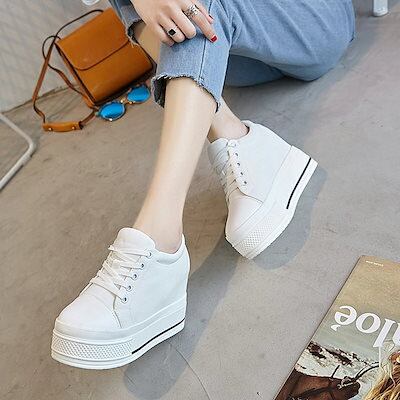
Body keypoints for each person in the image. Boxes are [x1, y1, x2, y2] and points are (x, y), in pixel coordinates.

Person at [50, 0, 355, 369]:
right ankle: (236, 137)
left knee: (193, 6)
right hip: (239, 52)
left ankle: (159, 237)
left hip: (313, 22)